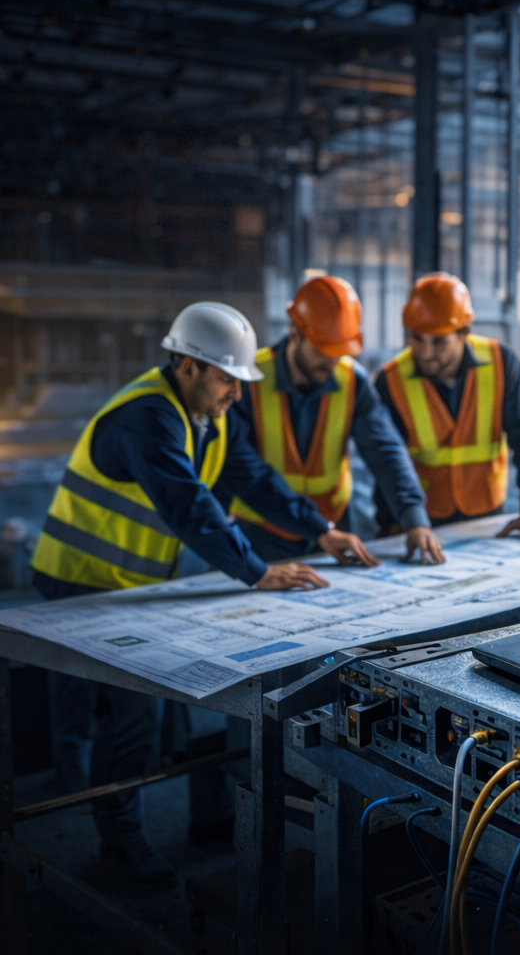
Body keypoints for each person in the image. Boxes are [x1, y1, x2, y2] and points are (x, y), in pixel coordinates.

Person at [32, 301, 376, 886]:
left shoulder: (206, 417)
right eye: (225, 379)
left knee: (139, 719)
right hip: (81, 582)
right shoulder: (147, 417)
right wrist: (256, 570)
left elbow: (252, 477)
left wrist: (319, 529)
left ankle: (116, 810)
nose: (236, 395)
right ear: (186, 365)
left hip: (130, 586)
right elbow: (189, 505)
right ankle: (117, 844)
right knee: (130, 720)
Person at [229, 275, 443, 564]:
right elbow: (244, 471)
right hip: (263, 531)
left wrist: (415, 519)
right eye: (322, 350)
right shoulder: (249, 380)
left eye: (339, 351)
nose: (332, 361)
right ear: (294, 332)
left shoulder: (353, 381)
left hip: (336, 528)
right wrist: (316, 528)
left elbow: (386, 451)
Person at [375, 275, 520, 544]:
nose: (426, 353)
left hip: (487, 516)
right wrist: (391, 523)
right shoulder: (391, 380)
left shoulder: (500, 363)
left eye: (438, 342)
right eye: (417, 339)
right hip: (421, 522)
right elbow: (386, 461)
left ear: (464, 332)